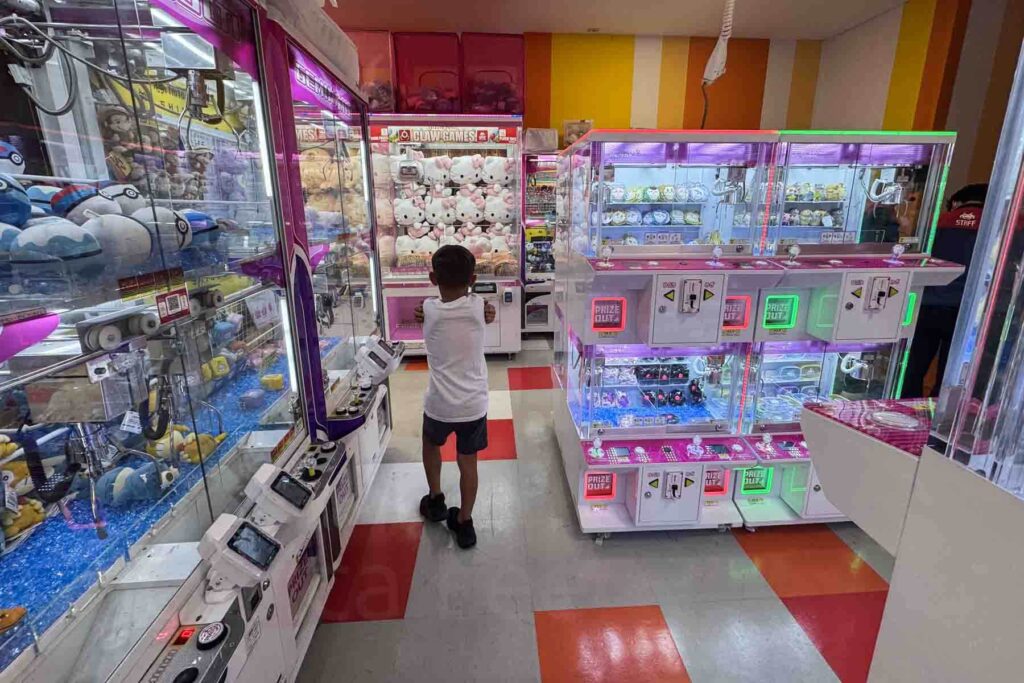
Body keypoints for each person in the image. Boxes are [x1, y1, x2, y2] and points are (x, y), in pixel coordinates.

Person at [414, 245, 495, 549]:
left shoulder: (429, 308)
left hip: (438, 403)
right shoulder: (479, 306)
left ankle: (435, 499)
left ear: (432, 277)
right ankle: (465, 521)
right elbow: (485, 309)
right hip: (473, 405)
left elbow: (425, 309)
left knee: (430, 444)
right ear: (473, 278)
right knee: (468, 462)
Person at [903, 183, 988, 398]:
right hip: (967, 312)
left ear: (957, 202)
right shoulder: (994, 226)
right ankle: (936, 417)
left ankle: (907, 410)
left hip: (927, 305)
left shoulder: (938, 224)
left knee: (912, 369)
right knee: (950, 374)